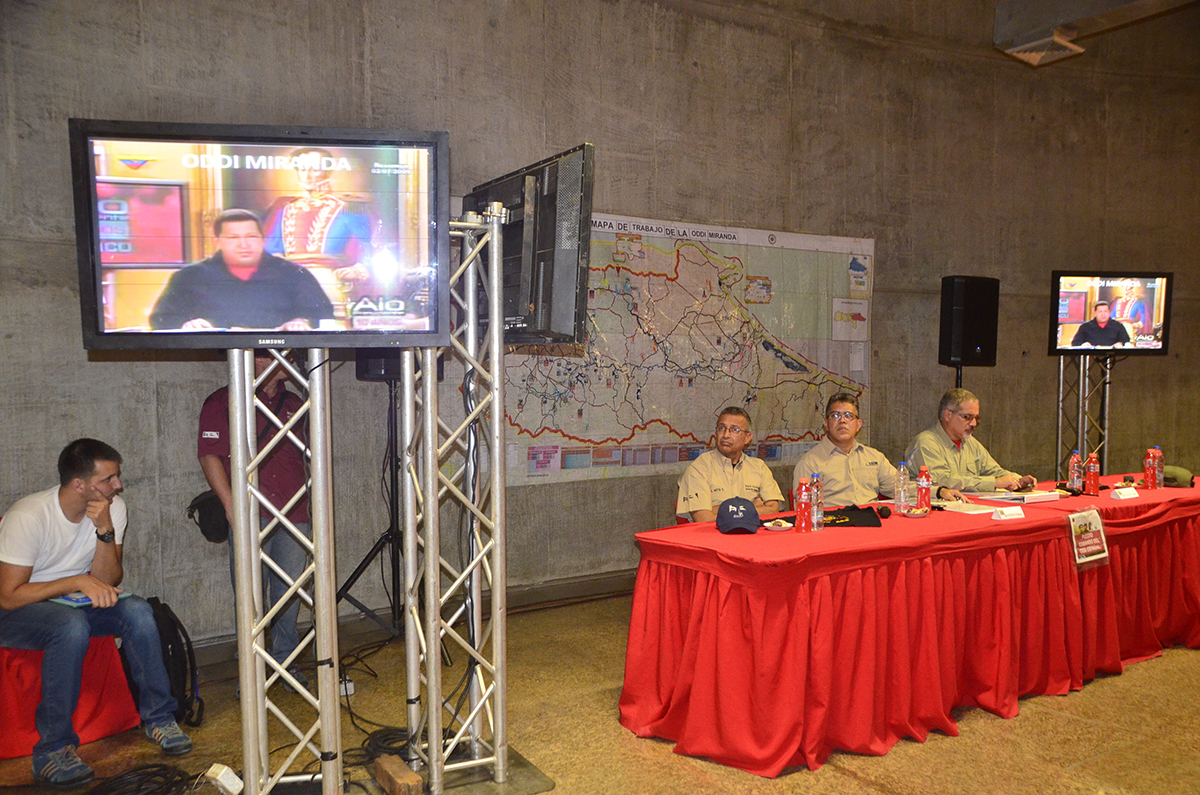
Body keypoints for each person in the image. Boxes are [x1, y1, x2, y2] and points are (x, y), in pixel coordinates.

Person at [0, 440, 193, 786]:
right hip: (16, 612)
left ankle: (160, 718)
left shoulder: (112, 509)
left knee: (137, 611)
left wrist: (104, 531)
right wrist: (75, 580)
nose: (118, 485)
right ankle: (52, 751)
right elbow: (9, 597)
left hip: (71, 602)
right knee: (69, 627)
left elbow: (108, 579)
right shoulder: (28, 516)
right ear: (79, 485)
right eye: (109, 479)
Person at [198, 352, 310, 683]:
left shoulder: (296, 400)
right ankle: (252, 669)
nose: (290, 359)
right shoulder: (224, 400)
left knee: (290, 590)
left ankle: (285, 661)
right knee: (249, 593)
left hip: (295, 512)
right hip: (251, 512)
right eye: (282, 355)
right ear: (259, 360)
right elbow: (210, 457)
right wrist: (233, 508)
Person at [149, 209, 335, 331]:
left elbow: (324, 316)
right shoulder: (189, 276)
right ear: (217, 241)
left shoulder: (293, 274)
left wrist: (302, 322)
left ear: (262, 239)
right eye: (233, 237)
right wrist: (186, 325)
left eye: (252, 236)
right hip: (211, 362)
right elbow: (161, 320)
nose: (244, 245)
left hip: (283, 359)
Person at [793, 393, 968, 506]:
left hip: (872, 525)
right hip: (833, 528)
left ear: (858, 424)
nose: (842, 421)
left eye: (849, 416)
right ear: (826, 424)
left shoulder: (873, 456)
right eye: (835, 415)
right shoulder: (810, 462)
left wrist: (939, 491)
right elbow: (803, 509)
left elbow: (900, 487)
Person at [905, 389, 1036, 493]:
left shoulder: (970, 442)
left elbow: (994, 471)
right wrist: (994, 483)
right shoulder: (926, 443)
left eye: (976, 418)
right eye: (967, 417)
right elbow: (942, 481)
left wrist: (1018, 480)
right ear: (948, 415)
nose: (973, 423)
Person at [676, 407, 784, 522]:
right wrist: (752, 506)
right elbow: (704, 519)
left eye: (735, 430)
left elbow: (773, 510)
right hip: (714, 537)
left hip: (753, 536)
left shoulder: (759, 467)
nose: (726, 435)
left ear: (747, 438)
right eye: (721, 428)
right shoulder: (698, 469)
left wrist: (717, 510)